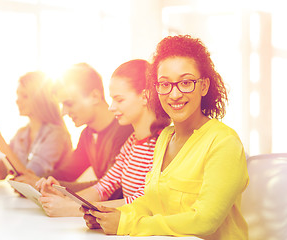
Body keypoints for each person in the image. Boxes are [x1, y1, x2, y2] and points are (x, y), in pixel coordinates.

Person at [85, 35, 249, 239]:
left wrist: (126, 223)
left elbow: (205, 220)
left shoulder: (224, 143)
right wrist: (112, 215)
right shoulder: (165, 139)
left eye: (186, 82)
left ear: (204, 86)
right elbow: (152, 203)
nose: (174, 94)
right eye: (164, 84)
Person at [36, 59, 170, 217]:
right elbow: (103, 187)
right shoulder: (132, 142)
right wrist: (66, 199)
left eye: (119, 100)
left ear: (145, 96)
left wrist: (72, 209)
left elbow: (144, 201)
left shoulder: (164, 143)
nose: (112, 107)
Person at [18, 63, 134, 193]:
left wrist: (44, 185)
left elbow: (111, 186)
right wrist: (35, 180)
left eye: (69, 103)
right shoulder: (87, 135)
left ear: (95, 96)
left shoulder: (126, 130)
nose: (64, 112)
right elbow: (68, 173)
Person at [0, 71, 72, 184]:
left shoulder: (56, 135)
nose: (17, 100)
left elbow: (30, 180)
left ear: (41, 99)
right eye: (18, 95)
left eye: (25, 96)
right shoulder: (22, 134)